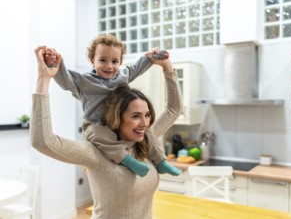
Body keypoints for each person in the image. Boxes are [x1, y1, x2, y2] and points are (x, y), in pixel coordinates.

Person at [31, 46, 183, 218]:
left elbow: (174, 109)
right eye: (135, 116)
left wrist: (167, 67)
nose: (144, 123)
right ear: (118, 117)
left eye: (147, 115)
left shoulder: (146, 140)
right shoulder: (96, 152)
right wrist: (43, 80)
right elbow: (42, 141)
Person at [43, 34, 181, 177]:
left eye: (115, 61)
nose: (109, 66)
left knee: (147, 131)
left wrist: (152, 57)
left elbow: (137, 67)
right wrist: (54, 63)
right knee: (97, 132)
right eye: (103, 60)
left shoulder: (122, 76)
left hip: (118, 123)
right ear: (92, 60)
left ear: (120, 63)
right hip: (96, 124)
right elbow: (66, 79)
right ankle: (128, 161)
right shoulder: (84, 81)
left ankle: (161, 162)